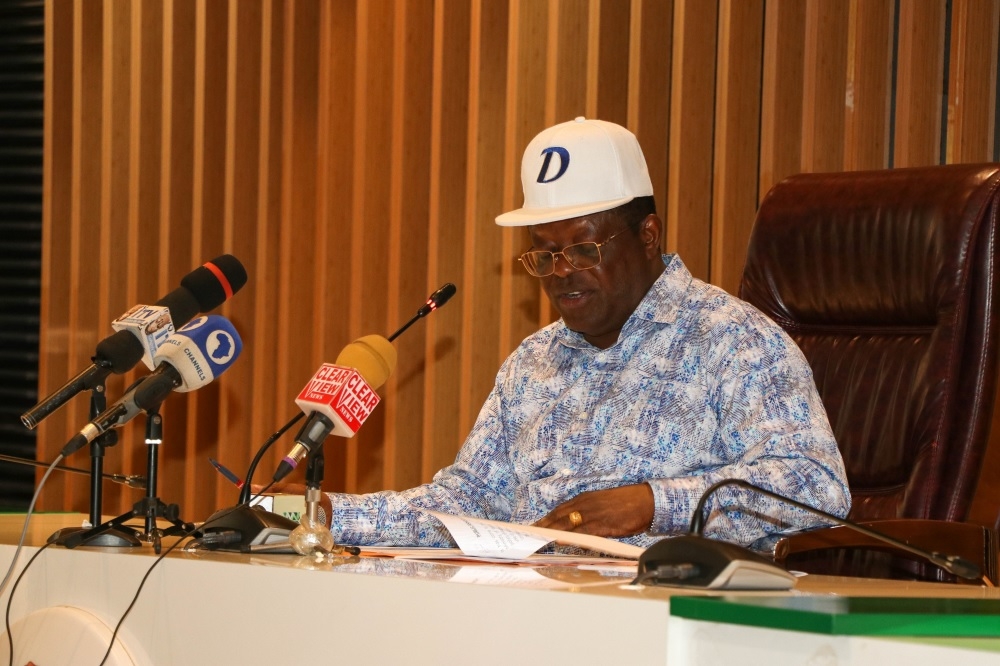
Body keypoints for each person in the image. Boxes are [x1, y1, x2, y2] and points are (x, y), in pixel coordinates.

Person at [322, 117, 850, 552]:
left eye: (583, 249)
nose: (561, 271)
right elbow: (471, 499)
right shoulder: (534, 361)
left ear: (648, 236)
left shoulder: (735, 342)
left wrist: (649, 503)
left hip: (667, 624)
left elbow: (815, 486)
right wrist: (324, 515)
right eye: (545, 254)